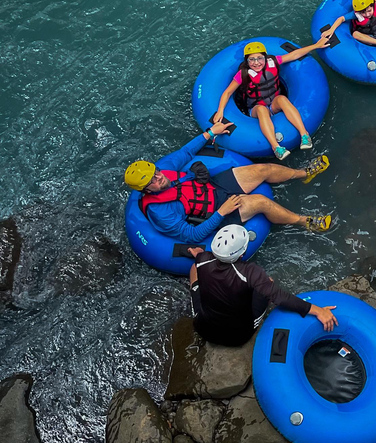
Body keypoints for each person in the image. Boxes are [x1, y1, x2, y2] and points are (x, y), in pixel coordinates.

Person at [124, 121, 332, 243]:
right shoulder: (160, 213)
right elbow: (192, 235)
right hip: (212, 212)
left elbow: (185, 151)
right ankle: (305, 222)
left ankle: (304, 174)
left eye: (156, 172)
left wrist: (211, 132)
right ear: (145, 190)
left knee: (263, 169)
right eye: (152, 180)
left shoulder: (166, 171)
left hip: (211, 187)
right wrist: (221, 212)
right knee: (260, 201)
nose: (159, 177)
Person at [189, 225, 338, 345]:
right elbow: (279, 297)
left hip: (203, 327)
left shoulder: (203, 259)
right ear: (242, 254)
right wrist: (317, 310)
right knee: (269, 283)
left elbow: (202, 258)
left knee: (194, 269)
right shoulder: (250, 272)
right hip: (237, 337)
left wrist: (199, 254)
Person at [214, 40, 330, 161]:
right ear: (247, 61)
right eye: (251, 59)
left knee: (282, 99)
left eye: (259, 58)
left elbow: (294, 55)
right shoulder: (242, 74)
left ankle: (304, 135)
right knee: (261, 109)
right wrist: (220, 110)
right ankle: (276, 148)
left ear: (265, 57)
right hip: (255, 108)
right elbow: (227, 92)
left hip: (273, 102)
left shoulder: (273, 62)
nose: (256, 63)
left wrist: (316, 45)